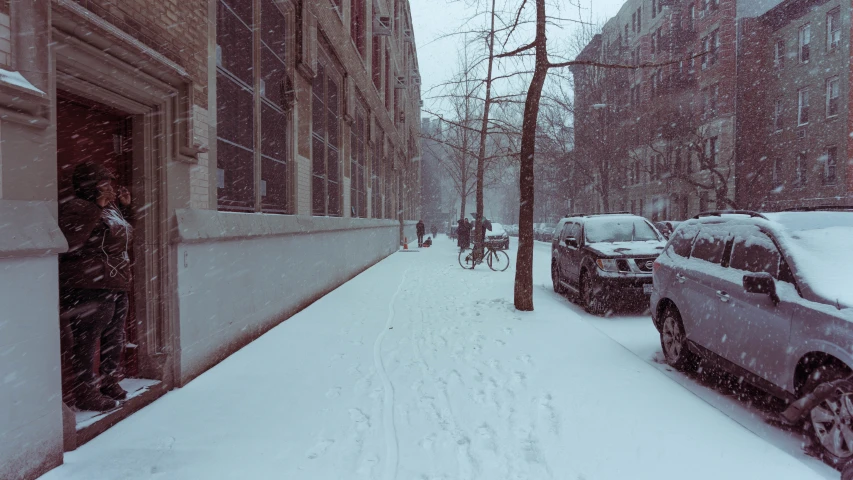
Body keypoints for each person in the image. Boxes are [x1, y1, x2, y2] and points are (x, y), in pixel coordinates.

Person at [58, 161, 134, 412]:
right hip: (88, 284)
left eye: (110, 183)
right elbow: (71, 242)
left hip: (116, 281)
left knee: (114, 335)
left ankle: (109, 381)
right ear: (90, 185)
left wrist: (125, 208)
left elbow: (121, 239)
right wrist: (95, 208)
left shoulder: (111, 209)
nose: (110, 188)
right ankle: (86, 393)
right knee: (87, 340)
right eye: (104, 183)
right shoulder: (78, 207)